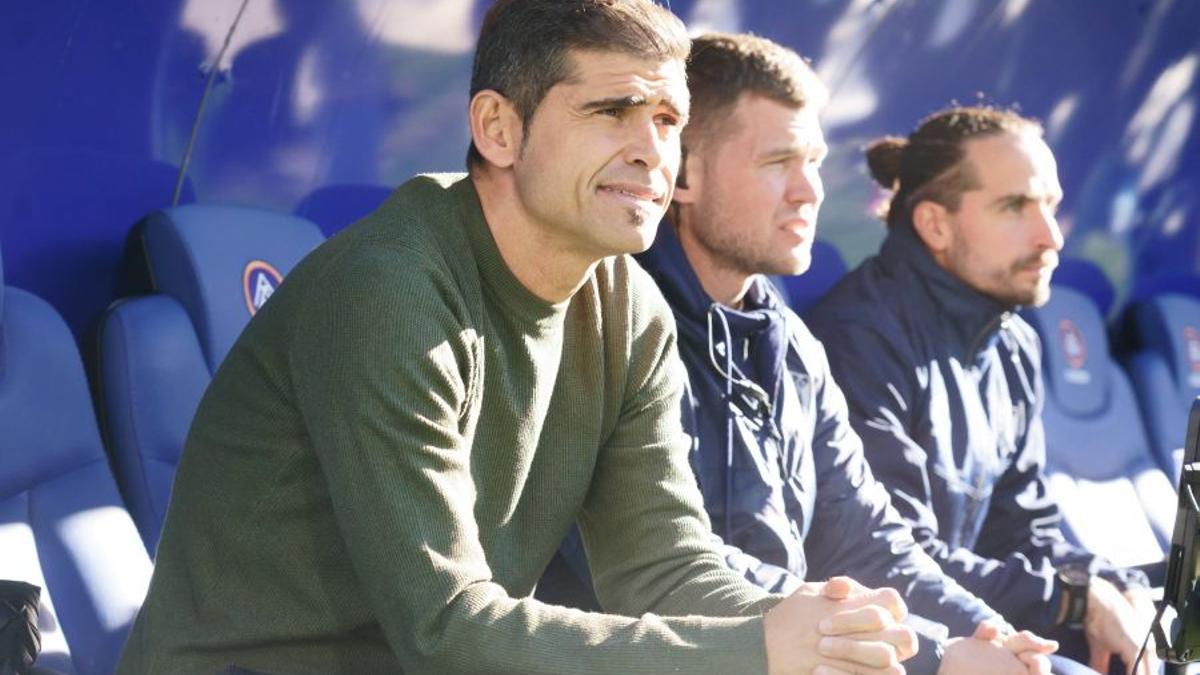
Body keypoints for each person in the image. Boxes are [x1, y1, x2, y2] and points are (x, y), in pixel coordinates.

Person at [117, 2, 917, 674]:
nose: (650, 149)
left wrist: (819, 628)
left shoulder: (627, 307)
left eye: (668, 118)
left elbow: (661, 563)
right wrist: (753, 649)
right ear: (499, 129)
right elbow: (445, 628)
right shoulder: (390, 290)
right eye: (610, 110)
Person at [635, 31, 1068, 675]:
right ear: (684, 174)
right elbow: (681, 564)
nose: (809, 192)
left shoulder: (792, 346)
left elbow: (869, 540)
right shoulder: (621, 324)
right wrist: (939, 654)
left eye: (813, 162)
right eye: (778, 162)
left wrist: (994, 639)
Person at [806, 106, 1159, 675]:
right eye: (1015, 207)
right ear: (935, 225)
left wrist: (1109, 585)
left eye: (1050, 204)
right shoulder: (859, 339)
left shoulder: (1013, 340)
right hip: (887, 640)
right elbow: (888, 558)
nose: (1051, 237)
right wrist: (1072, 600)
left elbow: (1025, 528)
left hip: (971, 617)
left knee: (1145, 646)